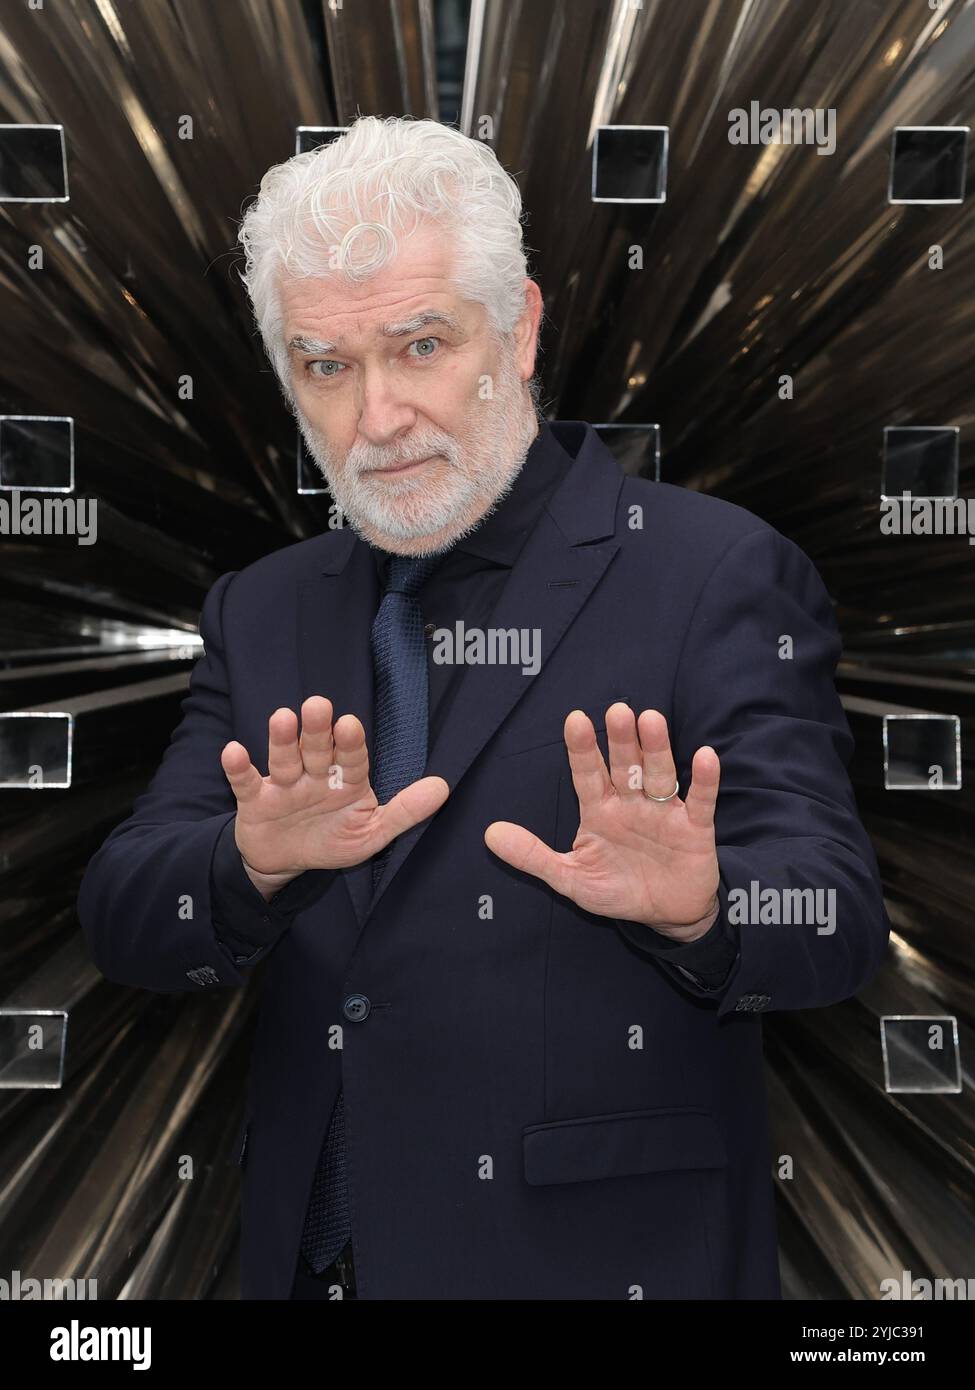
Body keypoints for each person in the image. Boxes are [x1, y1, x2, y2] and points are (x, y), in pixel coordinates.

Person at [77, 114, 890, 1300]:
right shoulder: (263, 608)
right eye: (327, 366)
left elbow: (839, 916)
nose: (377, 419)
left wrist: (706, 911)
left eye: (418, 347)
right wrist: (243, 864)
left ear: (519, 330)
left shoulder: (713, 572)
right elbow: (125, 910)